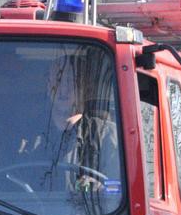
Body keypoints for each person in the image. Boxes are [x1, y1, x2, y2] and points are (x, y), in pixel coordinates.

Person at [15, 55, 120, 190]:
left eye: (71, 81)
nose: (63, 90)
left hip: (92, 211)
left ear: (85, 88)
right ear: (48, 86)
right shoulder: (26, 138)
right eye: (58, 80)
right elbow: (3, 185)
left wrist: (100, 188)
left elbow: (123, 189)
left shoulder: (108, 136)